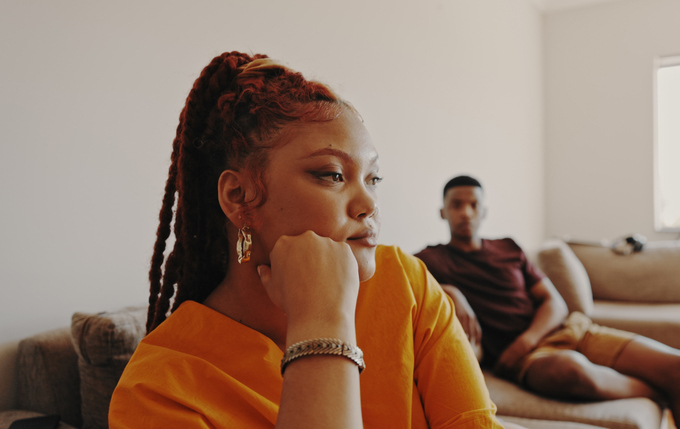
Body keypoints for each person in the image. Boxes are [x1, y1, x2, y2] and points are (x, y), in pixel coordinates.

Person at [108, 53, 506, 429]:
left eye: (373, 178)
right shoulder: (157, 389)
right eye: (332, 175)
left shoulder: (405, 283)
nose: (369, 203)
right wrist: (322, 321)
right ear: (239, 197)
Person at [414, 175, 680, 429]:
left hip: (573, 331)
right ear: (443, 212)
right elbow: (401, 280)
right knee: (567, 370)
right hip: (528, 361)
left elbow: (554, 303)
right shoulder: (431, 260)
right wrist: (450, 291)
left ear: (484, 211)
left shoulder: (508, 247)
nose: (466, 212)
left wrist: (527, 340)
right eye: (456, 205)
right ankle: (663, 392)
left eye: (473, 204)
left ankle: (673, 388)